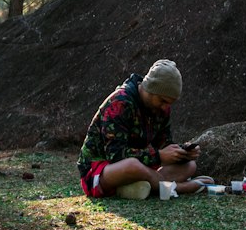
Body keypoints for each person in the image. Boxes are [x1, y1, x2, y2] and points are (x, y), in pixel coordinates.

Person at [77, 59, 212, 200]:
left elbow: (164, 144)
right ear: (150, 89)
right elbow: (116, 155)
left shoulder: (160, 110)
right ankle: (180, 187)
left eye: (170, 103)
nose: (165, 107)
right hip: (100, 171)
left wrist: (182, 152)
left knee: (189, 165)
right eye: (163, 101)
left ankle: (135, 187)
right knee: (132, 165)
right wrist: (158, 156)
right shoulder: (120, 103)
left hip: (140, 168)